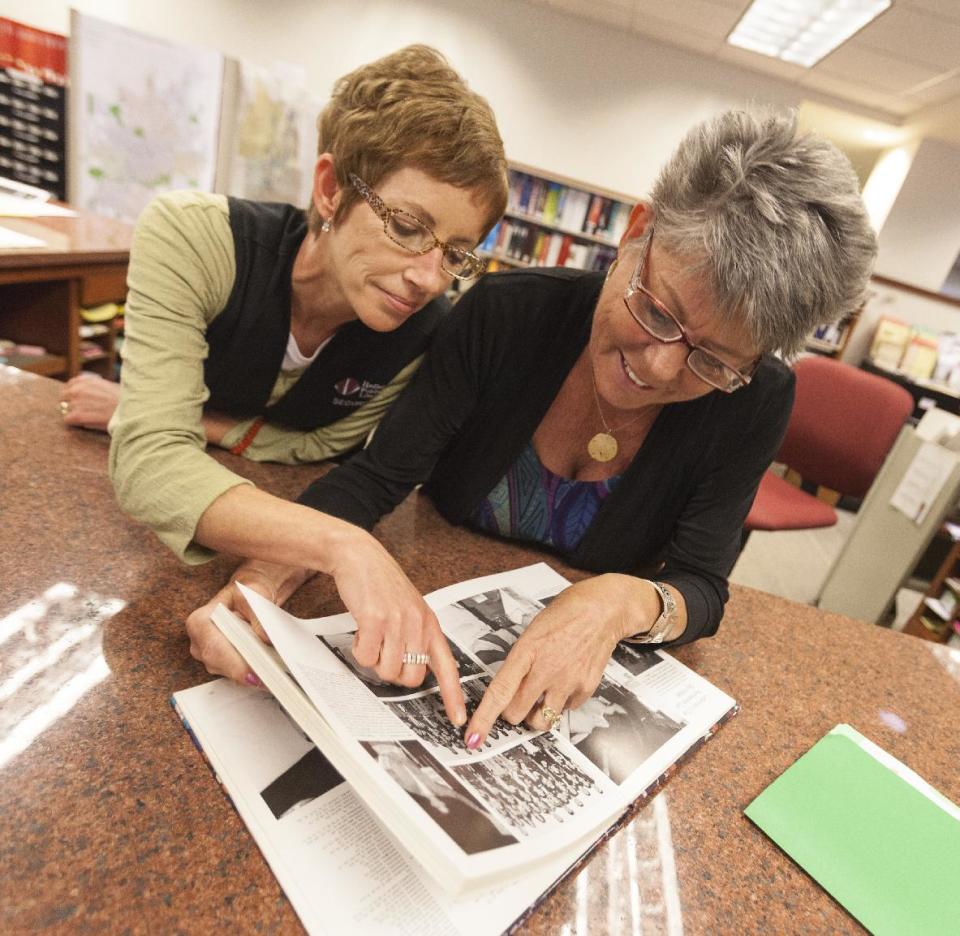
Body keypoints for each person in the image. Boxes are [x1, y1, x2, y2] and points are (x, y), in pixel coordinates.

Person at [188, 109, 878, 745]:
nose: (661, 367)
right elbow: (378, 477)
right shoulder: (507, 315)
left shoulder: (756, 399)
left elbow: (702, 587)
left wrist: (618, 600)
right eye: (658, 312)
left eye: (715, 361)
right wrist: (260, 589)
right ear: (637, 233)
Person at [61, 45, 508, 718]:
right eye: (408, 227)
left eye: (456, 253)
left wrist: (171, 419)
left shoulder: (427, 336)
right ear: (330, 187)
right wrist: (343, 543)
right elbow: (150, 467)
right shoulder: (195, 238)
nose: (430, 277)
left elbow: (315, 448)